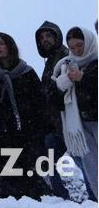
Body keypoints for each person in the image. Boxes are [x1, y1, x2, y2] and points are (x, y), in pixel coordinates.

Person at [0, 32, 51, 200]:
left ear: (10, 46)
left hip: (27, 132)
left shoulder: (26, 71)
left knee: (30, 182)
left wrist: (41, 131)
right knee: (6, 185)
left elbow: (40, 103)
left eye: (1, 43)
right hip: (2, 134)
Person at [51, 26, 97, 199]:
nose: (77, 50)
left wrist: (83, 79)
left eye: (80, 45)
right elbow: (53, 101)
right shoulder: (64, 67)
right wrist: (61, 85)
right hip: (81, 127)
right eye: (73, 47)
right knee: (93, 172)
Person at [36, 20, 72, 199]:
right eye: (42, 37)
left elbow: (61, 88)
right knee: (51, 164)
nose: (45, 40)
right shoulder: (50, 61)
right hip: (54, 124)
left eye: (49, 35)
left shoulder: (66, 56)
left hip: (69, 121)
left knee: (84, 161)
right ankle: (62, 199)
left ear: (57, 36)